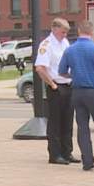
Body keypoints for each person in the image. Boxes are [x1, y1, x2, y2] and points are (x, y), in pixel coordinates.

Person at [58, 20, 94, 172]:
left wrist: (74, 75)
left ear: (78, 32)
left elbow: (61, 71)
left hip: (77, 91)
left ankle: (87, 162)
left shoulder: (70, 50)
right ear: (92, 32)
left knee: (82, 127)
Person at [34, 18, 76, 165]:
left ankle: (67, 152)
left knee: (68, 121)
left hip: (68, 84)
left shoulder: (64, 42)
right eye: (63, 32)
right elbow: (40, 68)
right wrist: (52, 84)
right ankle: (55, 154)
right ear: (54, 29)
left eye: (66, 32)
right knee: (55, 122)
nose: (65, 35)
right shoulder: (46, 45)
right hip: (56, 86)